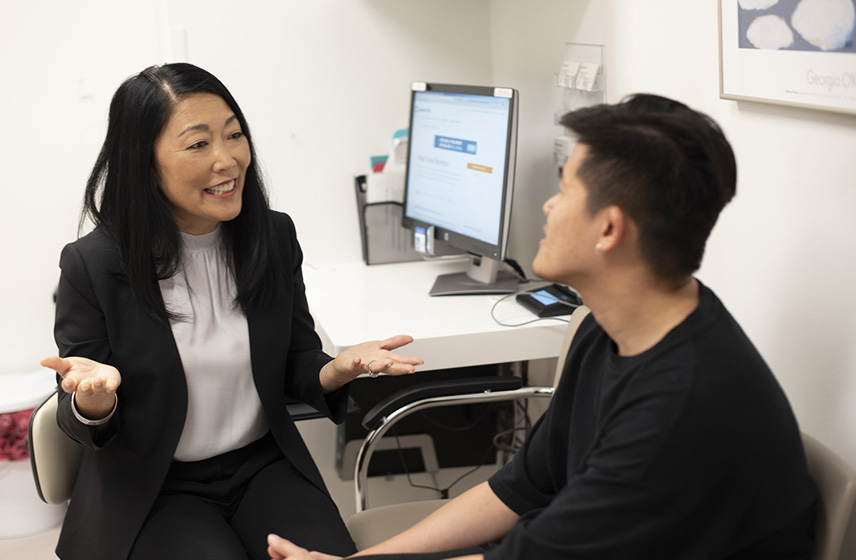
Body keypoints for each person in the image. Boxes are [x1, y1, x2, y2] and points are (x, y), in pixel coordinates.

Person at [267, 94, 819, 560]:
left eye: (566, 190)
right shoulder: (613, 327)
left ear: (608, 228)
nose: (549, 206)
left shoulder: (678, 410)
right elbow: (524, 486)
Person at [40, 62, 423, 560]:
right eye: (198, 144)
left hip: (262, 465)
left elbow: (295, 362)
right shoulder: (93, 264)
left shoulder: (272, 236)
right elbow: (81, 421)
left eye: (234, 135)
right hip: (155, 484)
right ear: (144, 163)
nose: (228, 160)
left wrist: (337, 367)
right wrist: (93, 398)